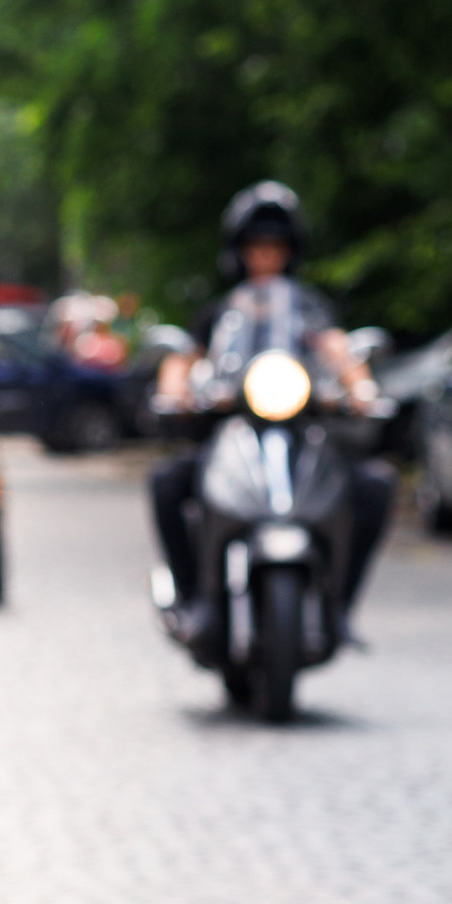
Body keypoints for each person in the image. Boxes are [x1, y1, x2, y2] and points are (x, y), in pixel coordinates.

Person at [150, 182, 392, 631]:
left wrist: (362, 390)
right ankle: (194, 598)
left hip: (301, 431)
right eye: (256, 248)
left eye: (274, 248)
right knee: (167, 481)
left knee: (375, 486)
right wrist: (175, 391)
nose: (265, 257)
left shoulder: (310, 310)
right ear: (239, 252)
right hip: (231, 430)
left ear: (290, 252)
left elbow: (341, 353)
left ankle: (340, 605)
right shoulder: (220, 313)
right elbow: (183, 358)